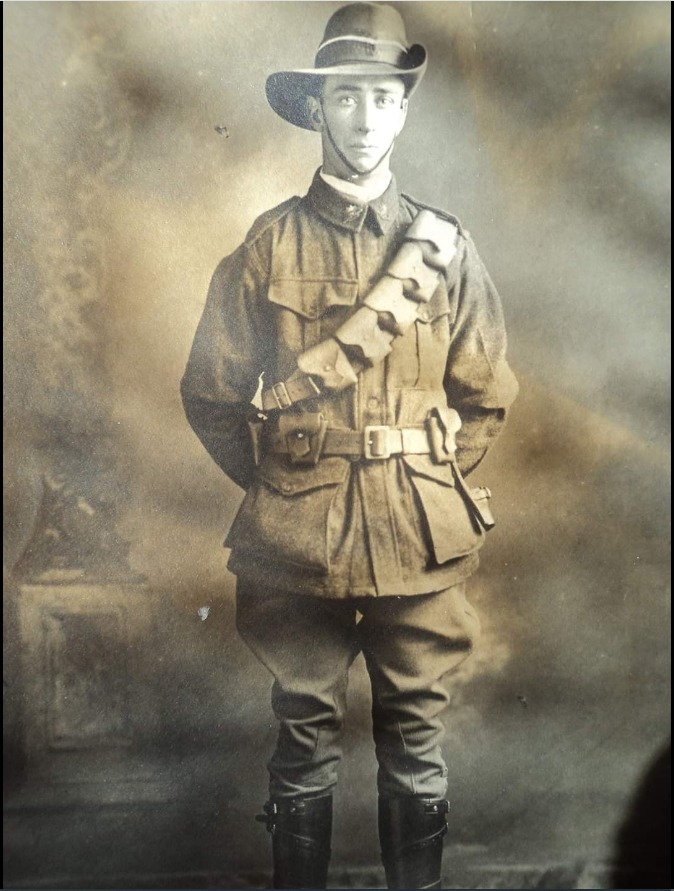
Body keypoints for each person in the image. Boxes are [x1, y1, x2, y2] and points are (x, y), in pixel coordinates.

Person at [181, 3, 518, 888]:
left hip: (420, 536)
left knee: (416, 735)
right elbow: (212, 394)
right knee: (302, 729)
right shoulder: (267, 244)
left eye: (381, 99)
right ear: (317, 111)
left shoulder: (446, 251)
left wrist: (425, 481)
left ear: (402, 111)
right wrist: (284, 482)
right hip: (296, 542)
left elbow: (484, 398)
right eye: (345, 100)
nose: (364, 119)